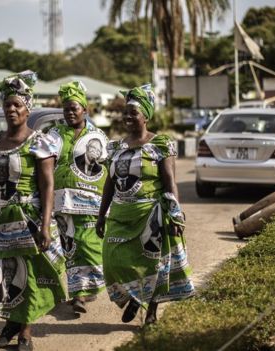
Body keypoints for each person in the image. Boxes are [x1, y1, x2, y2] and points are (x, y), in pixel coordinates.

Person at [0, 71, 66, 351]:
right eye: (7, 105)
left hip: (29, 217)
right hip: (0, 218)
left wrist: (46, 224)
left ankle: (24, 331)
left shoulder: (39, 142)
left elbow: (48, 185)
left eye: (17, 105)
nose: (11, 109)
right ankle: (13, 322)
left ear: (28, 109)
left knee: (27, 274)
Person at [96, 84, 195, 325]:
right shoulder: (116, 147)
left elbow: (170, 182)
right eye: (126, 112)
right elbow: (110, 183)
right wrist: (101, 215)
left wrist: (176, 214)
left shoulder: (159, 145)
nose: (128, 117)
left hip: (152, 214)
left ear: (146, 116)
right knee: (112, 261)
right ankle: (134, 297)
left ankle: (150, 311)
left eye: (134, 112)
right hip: (121, 214)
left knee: (153, 264)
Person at [47, 80, 109, 314]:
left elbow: (105, 170)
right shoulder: (54, 134)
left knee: (89, 246)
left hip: (91, 203)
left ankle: (84, 292)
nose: (70, 112)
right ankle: (77, 295)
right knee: (69, 248)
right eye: (66, 109)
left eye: (74, 108)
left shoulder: (97, 135)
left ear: (85, 110)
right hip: (60, 202)